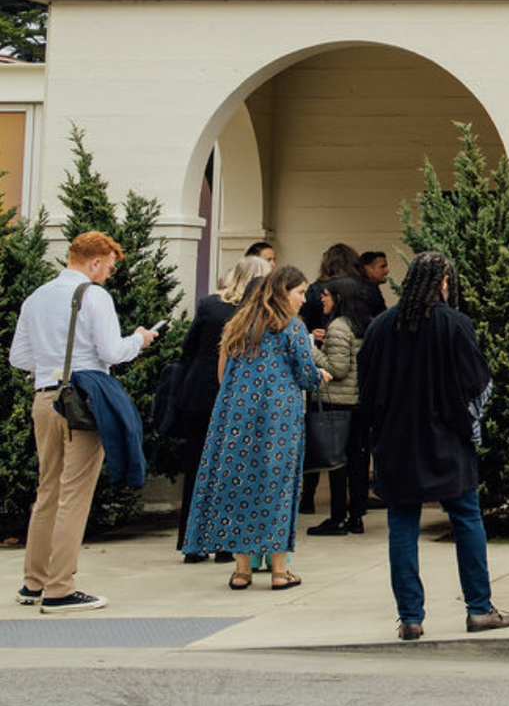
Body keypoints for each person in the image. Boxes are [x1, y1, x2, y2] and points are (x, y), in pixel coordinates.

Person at [361, 251, 509, 641]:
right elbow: (480, 385)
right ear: (444, 283)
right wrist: (470, 426)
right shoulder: (455, 324)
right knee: (467, 519)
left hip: (396, 442)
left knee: (402, 525)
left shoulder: (380, 327)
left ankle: (410, 617)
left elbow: (367, 388)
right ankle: (479, 609)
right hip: (447, 440)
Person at [9, 231, 159, 612]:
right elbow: (111, 351)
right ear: (94, 262)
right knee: (74, 495)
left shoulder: (37, 297)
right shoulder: (94, 296)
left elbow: (18, 357)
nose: (108, 274)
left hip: (45, 397)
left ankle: (34, 583)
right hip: (82, 402)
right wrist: (140, 339)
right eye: (108, 266)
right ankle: (60, 589)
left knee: (48, 492)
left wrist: (53, 362)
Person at [182, 264, 326, 589]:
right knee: (277, 486)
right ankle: (278, 571)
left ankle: (241, 571)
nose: (304, 299)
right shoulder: (291, 327)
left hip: (234, 415)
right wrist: (320, 375)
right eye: (300, 292)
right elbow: (305, 374)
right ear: (282, 292)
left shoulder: (239, 323)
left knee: (239, 485)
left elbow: (225, 370)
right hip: (279, 418)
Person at [170, 254, 267, 560]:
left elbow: (188, 348)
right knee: (232, 469)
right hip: (235, 395)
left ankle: (192, 543)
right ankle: (225, 542)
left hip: (198, 392)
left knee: (197, 467)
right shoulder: (256, 312)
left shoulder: (210, 305)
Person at [306, 263, 383, 537]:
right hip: (358, 402)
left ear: (338, 298)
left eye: (326, 295)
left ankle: (338, 517)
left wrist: (310, 349)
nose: (321, 299)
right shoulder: (363, 323)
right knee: (358, 460)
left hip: (338, 403)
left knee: (336, 462)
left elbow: (337, 369)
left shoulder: (338, 325)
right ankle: (356, 515)